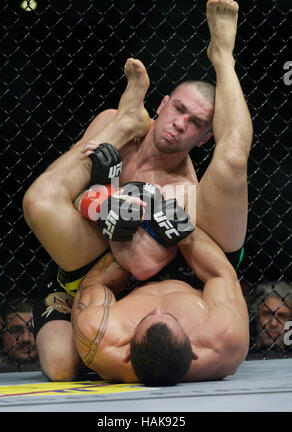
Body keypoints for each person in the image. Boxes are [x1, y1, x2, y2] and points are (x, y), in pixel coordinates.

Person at [23, 0, 253, 381]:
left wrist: (115, 205)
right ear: (162, 104)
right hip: (91, 251)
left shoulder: (185, 190)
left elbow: (141, 264)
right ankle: (129, 119)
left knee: (66, 368)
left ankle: (222, 56)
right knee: (39, 202)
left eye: (195, 123)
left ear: (204, 137)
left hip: (122, 266)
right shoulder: (107, 122)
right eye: (178, 109)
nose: (180, 124)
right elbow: (69, 194)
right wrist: (101, 198)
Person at [70, 226, 249, 385]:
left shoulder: (100, 337)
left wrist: (131, 244)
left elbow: (94, 285)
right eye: (171, 316)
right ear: (194, 351)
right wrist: (182, 232)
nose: (157, 310)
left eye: (146, 318)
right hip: (191, 267)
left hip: (128, 272)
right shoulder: (225, 337)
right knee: (230, 186)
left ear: (127, 353)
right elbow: (221, 275)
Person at [0, 298, 40, 372]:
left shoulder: (56, 363)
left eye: (33, 330)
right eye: (17, 331)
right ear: (2, 333)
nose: (26, 339)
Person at [248, 281, 292, 355]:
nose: (273, 323)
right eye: (267, 314)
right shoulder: (239, 357)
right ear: (256, 316)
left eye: (282, 316)